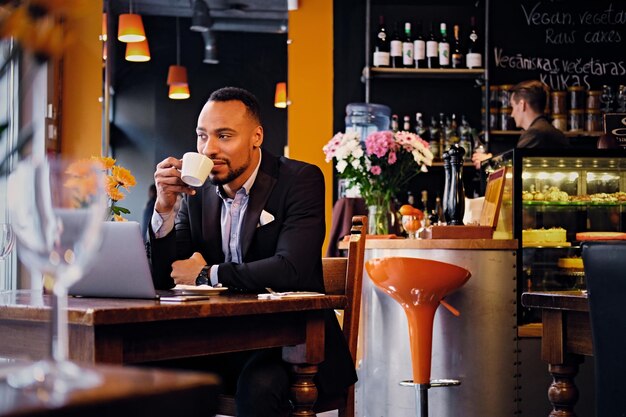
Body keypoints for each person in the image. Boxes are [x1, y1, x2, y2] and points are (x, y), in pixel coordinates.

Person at [148, 87, 356, 416]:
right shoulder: (196, 193)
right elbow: (165, 274)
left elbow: (290, 270)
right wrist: (165, 208)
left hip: (291, 341)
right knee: (145, 374)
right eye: (202, 136)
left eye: (224, 136)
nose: (209, 149)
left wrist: (207, 274)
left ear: (256, 136)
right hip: (221, 340)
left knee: (258, 387)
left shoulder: (300, 180)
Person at [472, 80, 569, 169]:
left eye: (513, 107)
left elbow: (515, 165)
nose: (512, 114)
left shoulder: (535, 133)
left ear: (522, 105)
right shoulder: (553, 132)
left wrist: (488, 162)